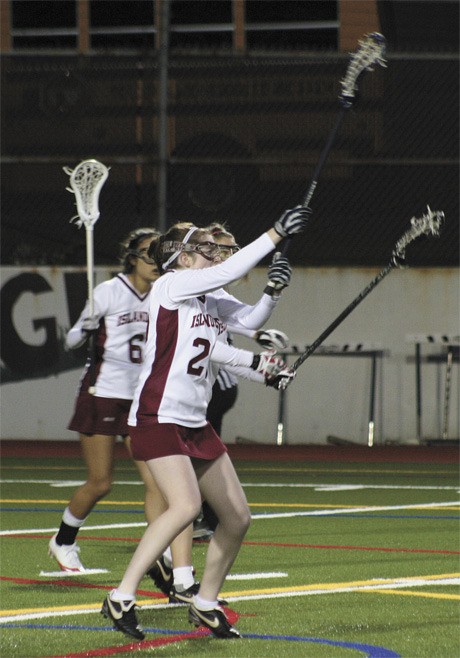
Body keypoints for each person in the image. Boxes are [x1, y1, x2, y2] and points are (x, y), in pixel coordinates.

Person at [101, 205, 310, 640]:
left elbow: (243, 328)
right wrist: (274, 233)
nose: (214, 251)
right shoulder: (173, 285)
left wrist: (271, 300)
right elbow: (230, 271)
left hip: (195, 420)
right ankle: (121, 594)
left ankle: (206, 602)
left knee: (236, 517)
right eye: (204, 246)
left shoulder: (206, 297)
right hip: (159, 414)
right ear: (181, 255)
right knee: (186, 506)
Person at [48, 227, 180, 572]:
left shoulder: (164, 294)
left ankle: (161, 550)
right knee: (101, 482)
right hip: (102, 394)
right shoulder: (108, 291)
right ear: (133, 258)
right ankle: (63, 540)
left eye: (161, 255)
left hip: (140, 400)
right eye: (150, 255)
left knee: (156, 482)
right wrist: (88, 324)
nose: (156, 263)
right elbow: (72, 341)